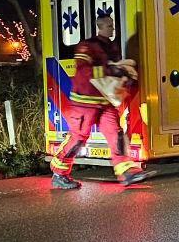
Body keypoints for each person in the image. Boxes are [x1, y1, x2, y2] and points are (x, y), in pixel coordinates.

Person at [50, 15, 149, 189]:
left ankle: (125, 172)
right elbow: (84, 71)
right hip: (84, 102)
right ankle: (59, 173)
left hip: (105, 101)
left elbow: (113, 70)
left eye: (113, 25)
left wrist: (125, 76)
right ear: (100, 26)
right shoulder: (87, 46)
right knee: (79, 138)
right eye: (109, 25)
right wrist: (113, 69)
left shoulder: (112, 46)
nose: (112, 29)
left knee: (116, 134)